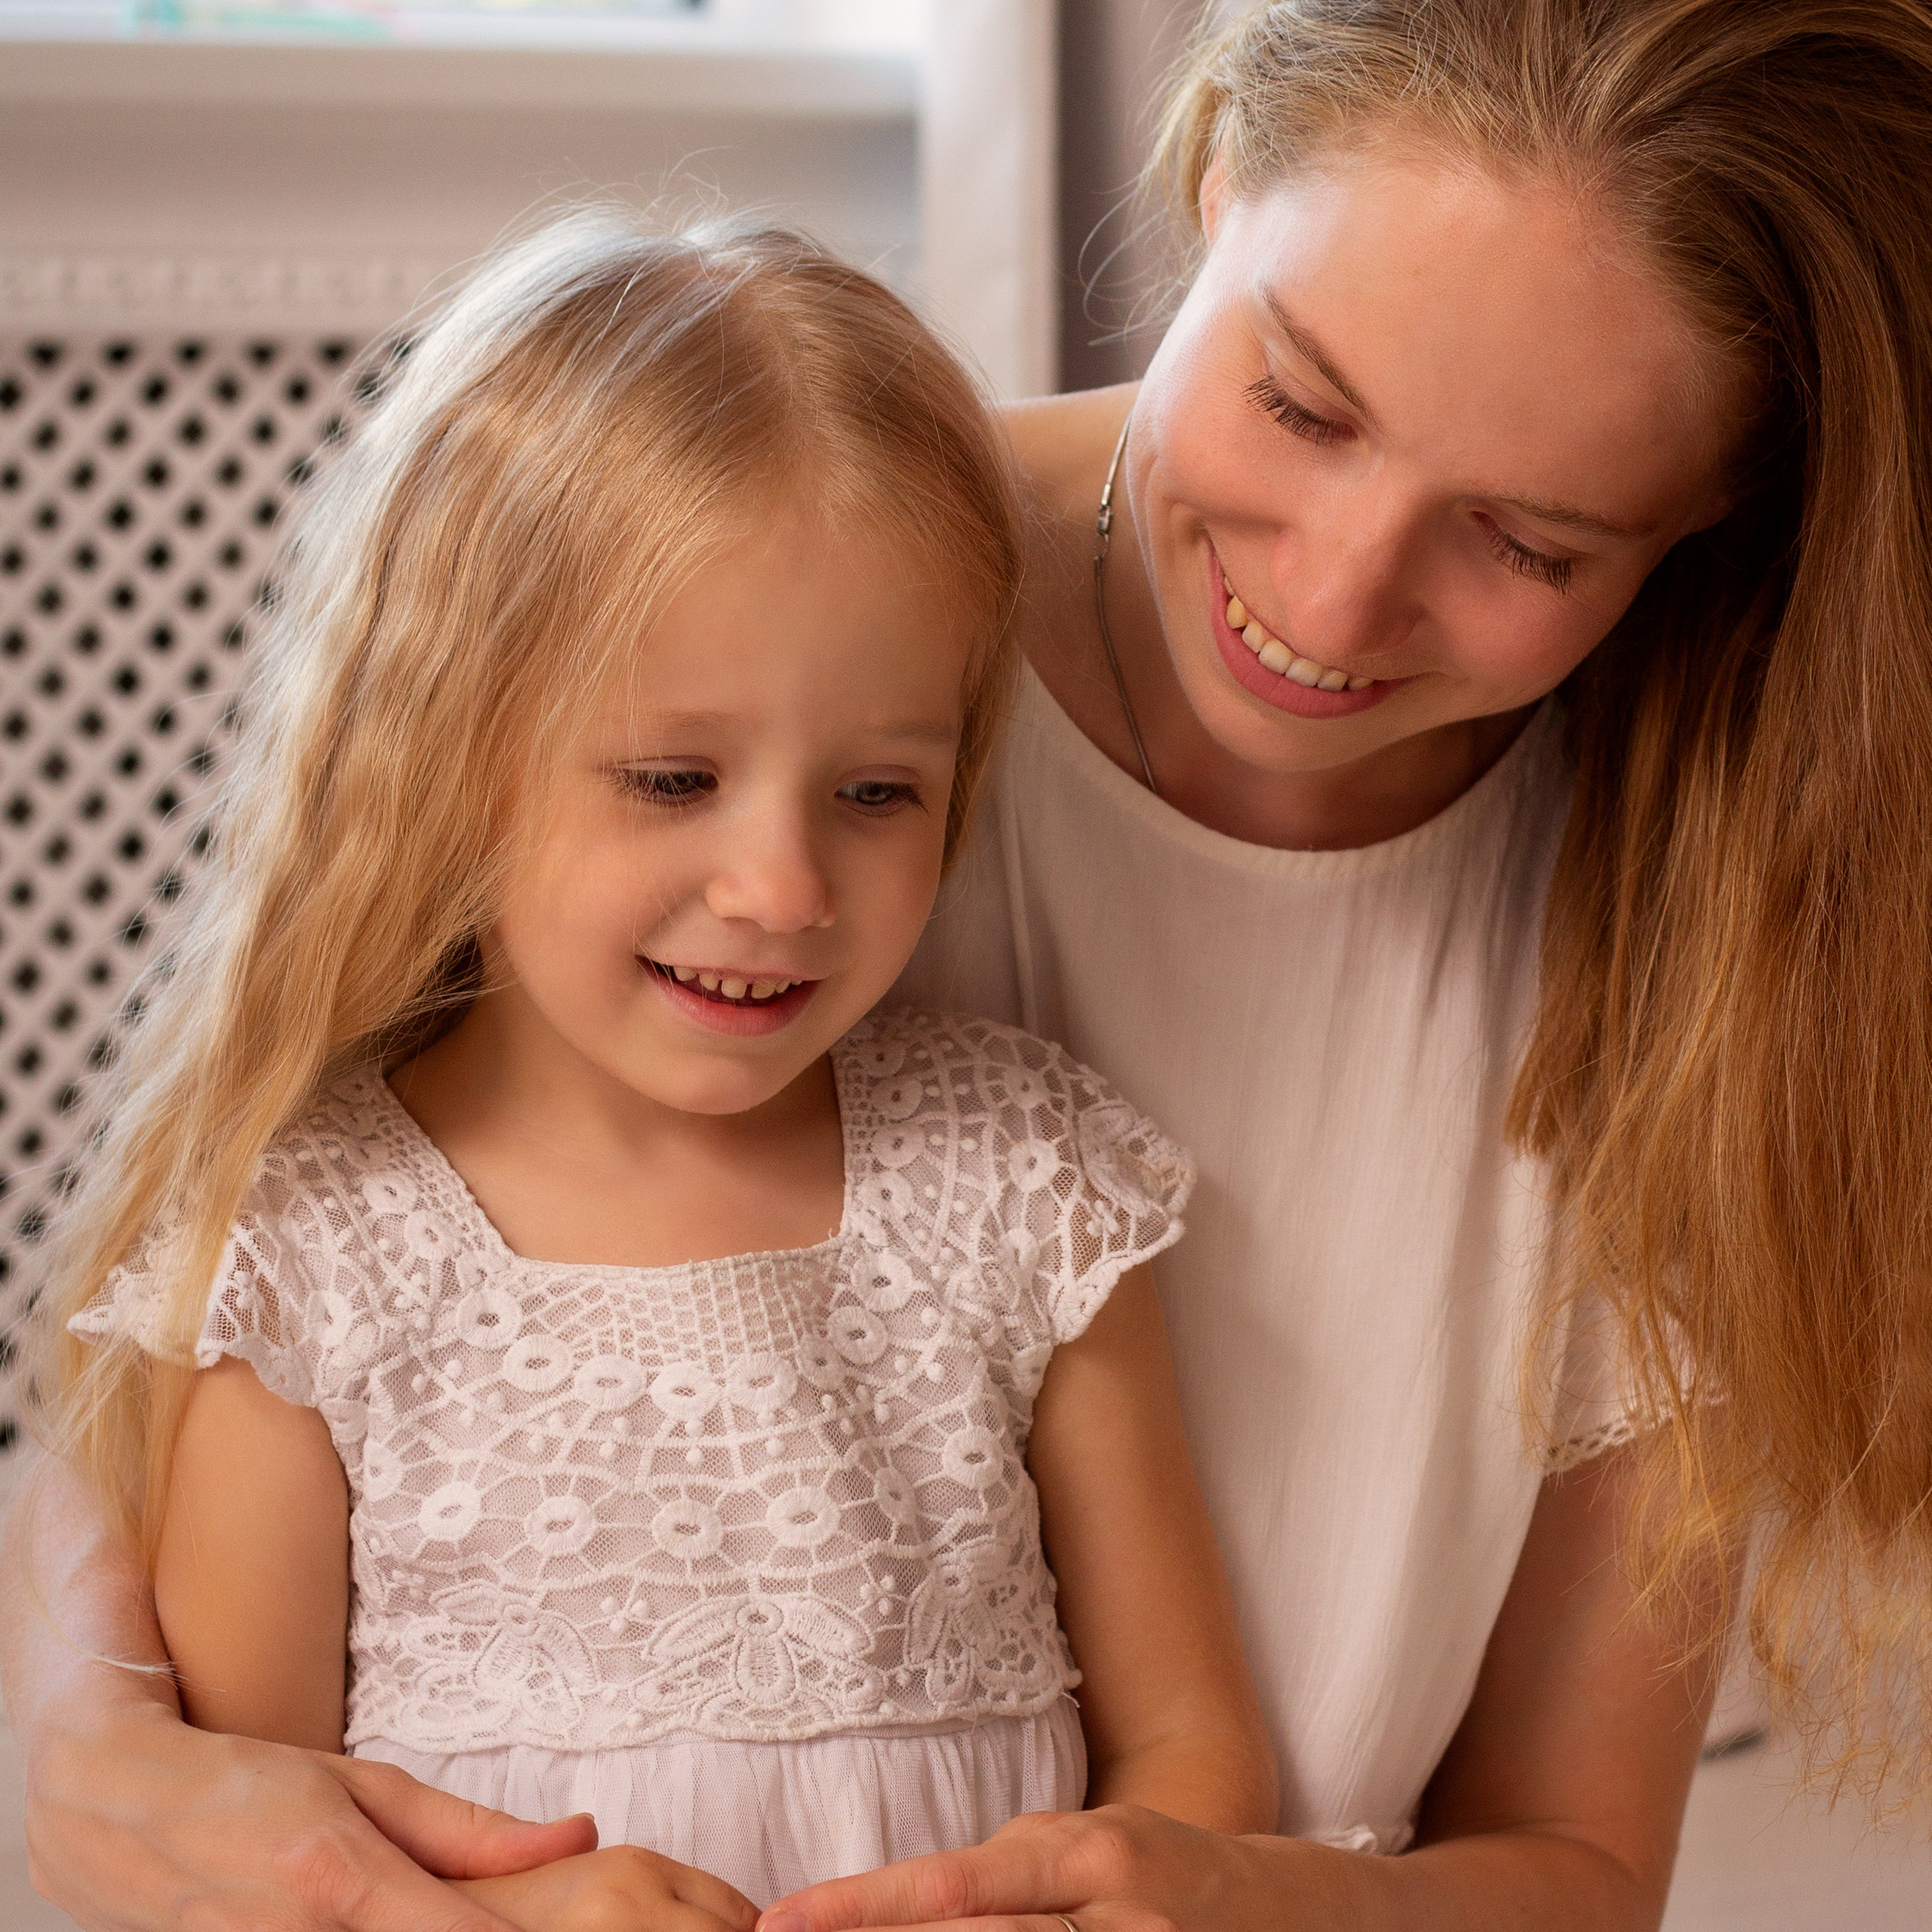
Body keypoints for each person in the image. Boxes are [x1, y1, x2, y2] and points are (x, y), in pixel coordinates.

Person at [11, 1, 1932, 1927]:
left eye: (1527, 540)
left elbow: (1574, 1862)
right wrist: (91, 1739)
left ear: (1705, 536)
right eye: (1301, 402)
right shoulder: (783, 591)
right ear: (1212, 180)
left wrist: (1226, 1894)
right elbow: (273, 1232)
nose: (1331, 598)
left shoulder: (1712, 940)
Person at [13, 215, 1275, 1930]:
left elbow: (1193, 1750)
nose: (781, 887)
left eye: (876, 790)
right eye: (673, 779)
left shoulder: (1021, 1176)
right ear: (449, 760)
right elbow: (251, 1852)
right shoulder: (303, 1252)